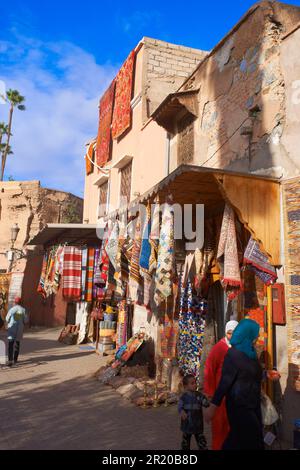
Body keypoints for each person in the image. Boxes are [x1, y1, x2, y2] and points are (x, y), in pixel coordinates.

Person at [204, 319, 264, 450]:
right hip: (239, 406)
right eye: (256, 335)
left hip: (253, 404)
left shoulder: (251, 353)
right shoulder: (233, 355)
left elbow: (251, 374)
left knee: (240, 440)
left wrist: (266, 374)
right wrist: (213, 407)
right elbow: (225, 382)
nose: (257, 338)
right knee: (248, 440)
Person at [203, 320, 239, 450]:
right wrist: (210, 394)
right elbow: (209, 369)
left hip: (234, 396)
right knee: (219, 428)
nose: (231, 336)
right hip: (220, 397)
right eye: (229, 333)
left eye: (234, 333)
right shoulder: (219, 348)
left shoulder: (239, 347)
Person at [178, 375, 210, 450]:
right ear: (186, 386)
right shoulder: (183, 397)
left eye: (195, 382)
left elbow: (206, 404)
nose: (195, 384)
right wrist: (182, 412)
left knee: (202, 443)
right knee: (185, 444)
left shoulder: (200, 396)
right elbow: (180, 407)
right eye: (192, 383)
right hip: (187, 425)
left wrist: (207, 399)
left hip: (198, 425)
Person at [5, 297, 28, 367]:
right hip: (19, 329)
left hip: (12, 328)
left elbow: (6, 318)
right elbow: (26, 320)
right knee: (17, 344)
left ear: (15, 302)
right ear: (21, 302)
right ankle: (15, 360)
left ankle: (10, 360)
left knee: (11, 344)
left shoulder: (12, 309)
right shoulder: (23, 310)